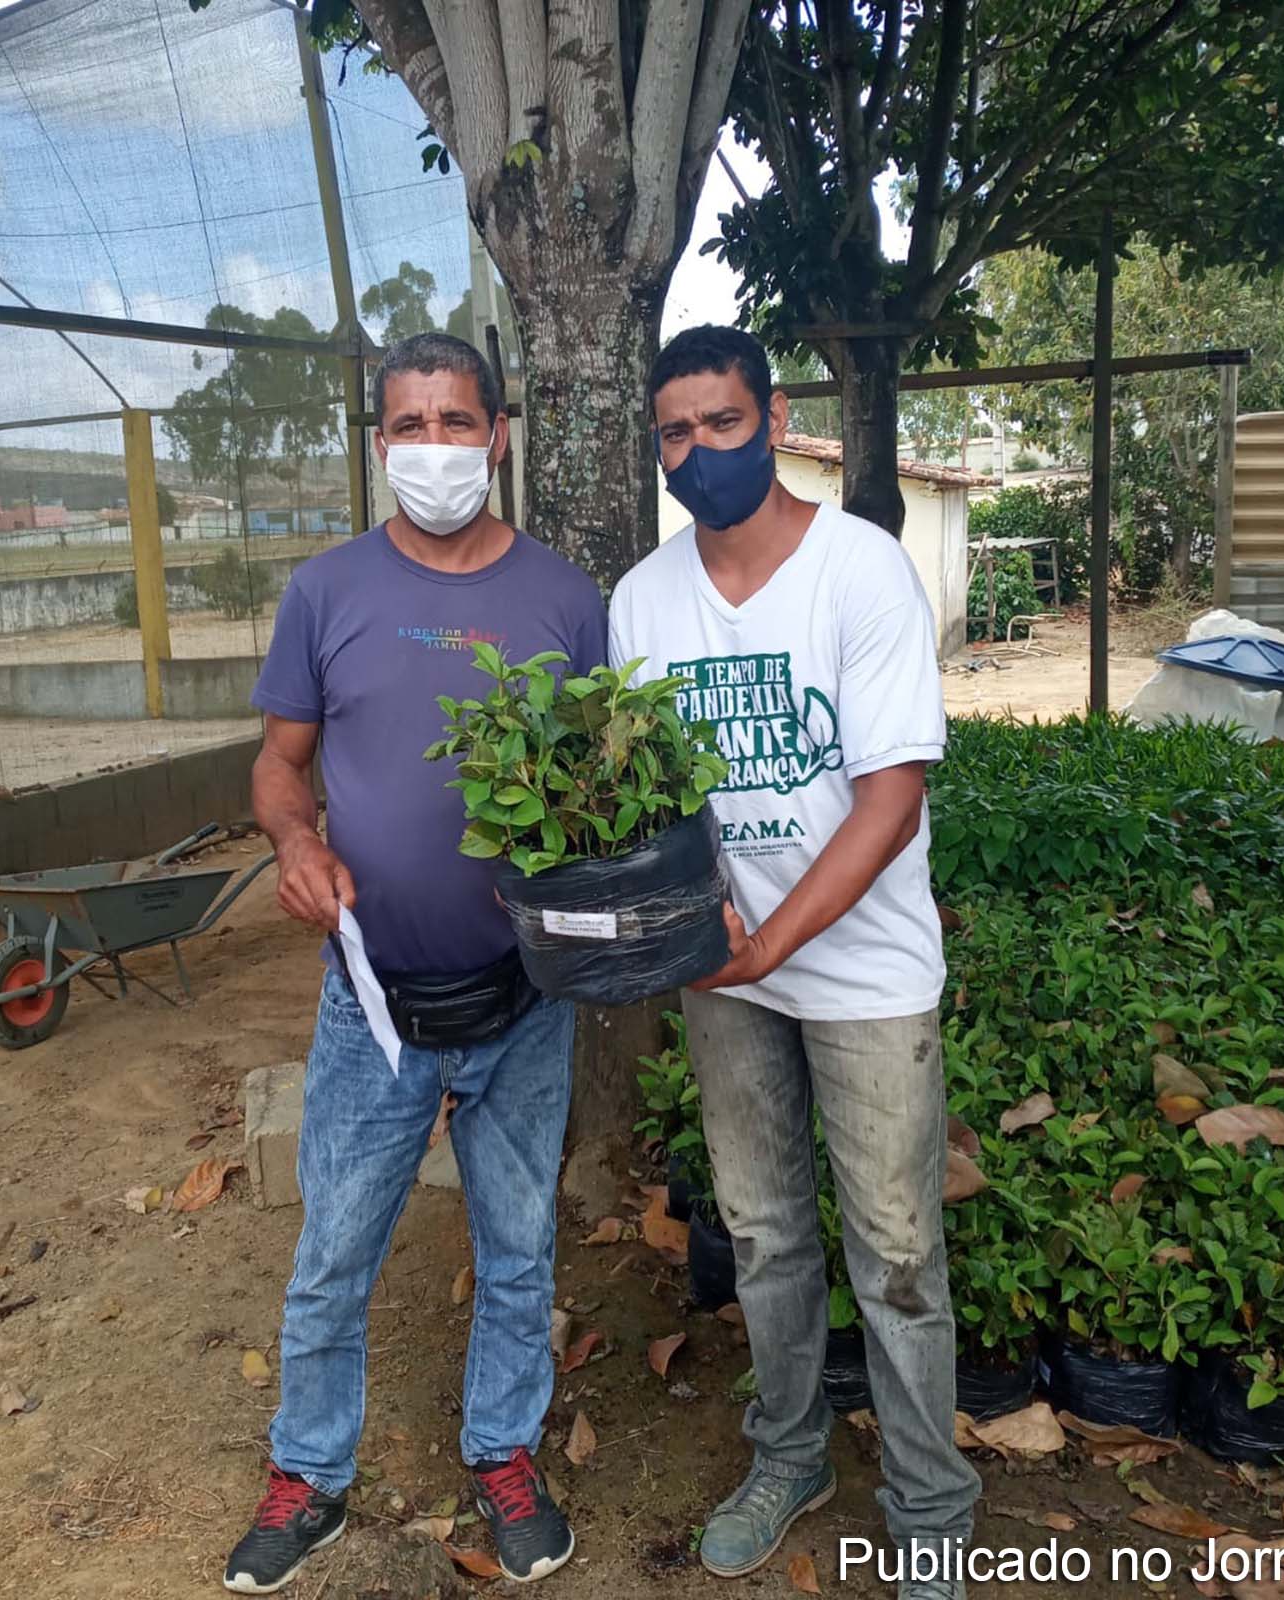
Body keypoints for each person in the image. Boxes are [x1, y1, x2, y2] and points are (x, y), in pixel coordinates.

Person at [225, 331, 605, 1595]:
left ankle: (502, 1453)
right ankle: (310, 1473)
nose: (434, 447)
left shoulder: (563, 600)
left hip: (524, 999)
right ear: (378, 444)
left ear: (498, 434)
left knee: (518, 1245)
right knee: (333, 1247)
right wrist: (293, 839)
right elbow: (281, 763)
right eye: (409, 426)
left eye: (457, 422)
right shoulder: (327, 592)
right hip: (371, 1003)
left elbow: (599, 785)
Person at [607, 325, 982, 1599]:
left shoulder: (862, 573)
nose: (695, 450)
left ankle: (933, 1498)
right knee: (764, 1234)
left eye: (719, 423)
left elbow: (888, 802)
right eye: (673, 432)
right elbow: (646, 798)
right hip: (725, 976)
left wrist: (767, 938)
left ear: (771, 421)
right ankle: (791, 1453)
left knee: (894, 1248)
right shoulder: (642, 602)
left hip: (866, 976)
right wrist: (678, 929)